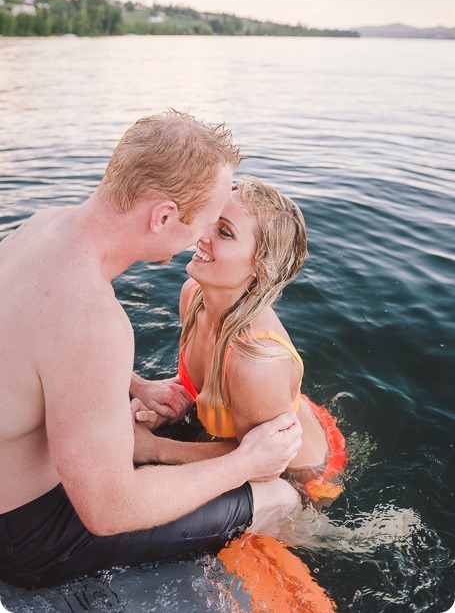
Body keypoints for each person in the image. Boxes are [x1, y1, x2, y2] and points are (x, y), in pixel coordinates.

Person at [0, 111, 303, 589]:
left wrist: (137, 384)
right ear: (163, 217)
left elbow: (35, 340)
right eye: (206, 220)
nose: (200, 237)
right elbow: (107, 511)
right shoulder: (93, 320)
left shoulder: (44, 226)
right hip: (32, 534)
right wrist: (244, 464)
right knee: (282, 497)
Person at [131, 176, 347, 509]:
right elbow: (203, 385)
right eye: (210, 220)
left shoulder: (256, 362)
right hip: (258, 414)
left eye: (224, 231)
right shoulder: (193, 297)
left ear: (260, 267)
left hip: (302, 475)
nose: (201, 236)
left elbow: (260, 465)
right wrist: (169, 397)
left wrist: (154, 449)